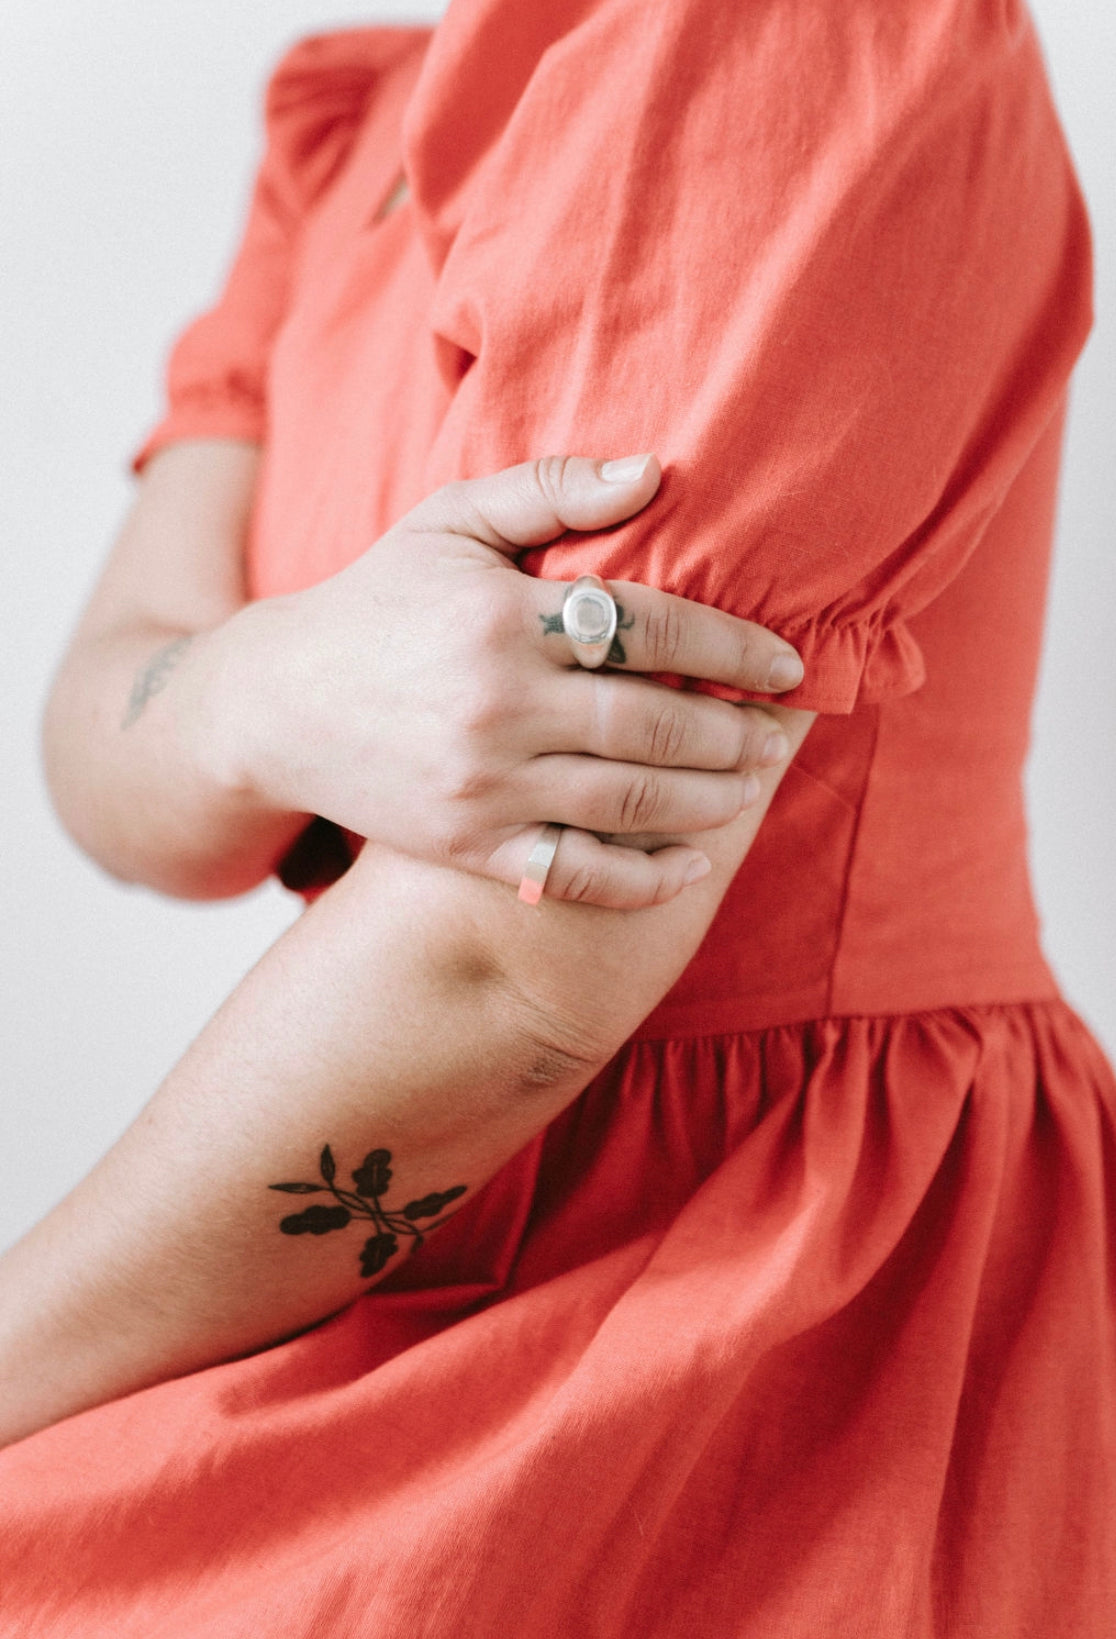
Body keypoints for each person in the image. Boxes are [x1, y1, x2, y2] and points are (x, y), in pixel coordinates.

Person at [0, 1, 1111, 1634]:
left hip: (776, 1272)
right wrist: (269, 688)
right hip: (327, 1217)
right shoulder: (344, 121)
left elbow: (508, 970)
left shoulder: (792, 36)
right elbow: (127, 794)